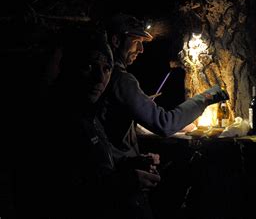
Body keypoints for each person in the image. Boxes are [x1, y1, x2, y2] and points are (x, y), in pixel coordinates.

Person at [36, 24, 161, 218]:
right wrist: (128, 181)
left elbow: (96, 166)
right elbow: (65, 194)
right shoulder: (56, 122)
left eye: (107, 68)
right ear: (68, 68)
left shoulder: (88, 116)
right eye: (88, 66)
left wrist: (131, 163)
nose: (100, 78)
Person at [100, 13, 229, 159]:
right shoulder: (121, 79)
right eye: (136, 42)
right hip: (117, 170)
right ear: (116, 41)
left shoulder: (109, 76)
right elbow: (164, 124)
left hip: (116, 163)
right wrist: (206, 97)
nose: (141, 49)